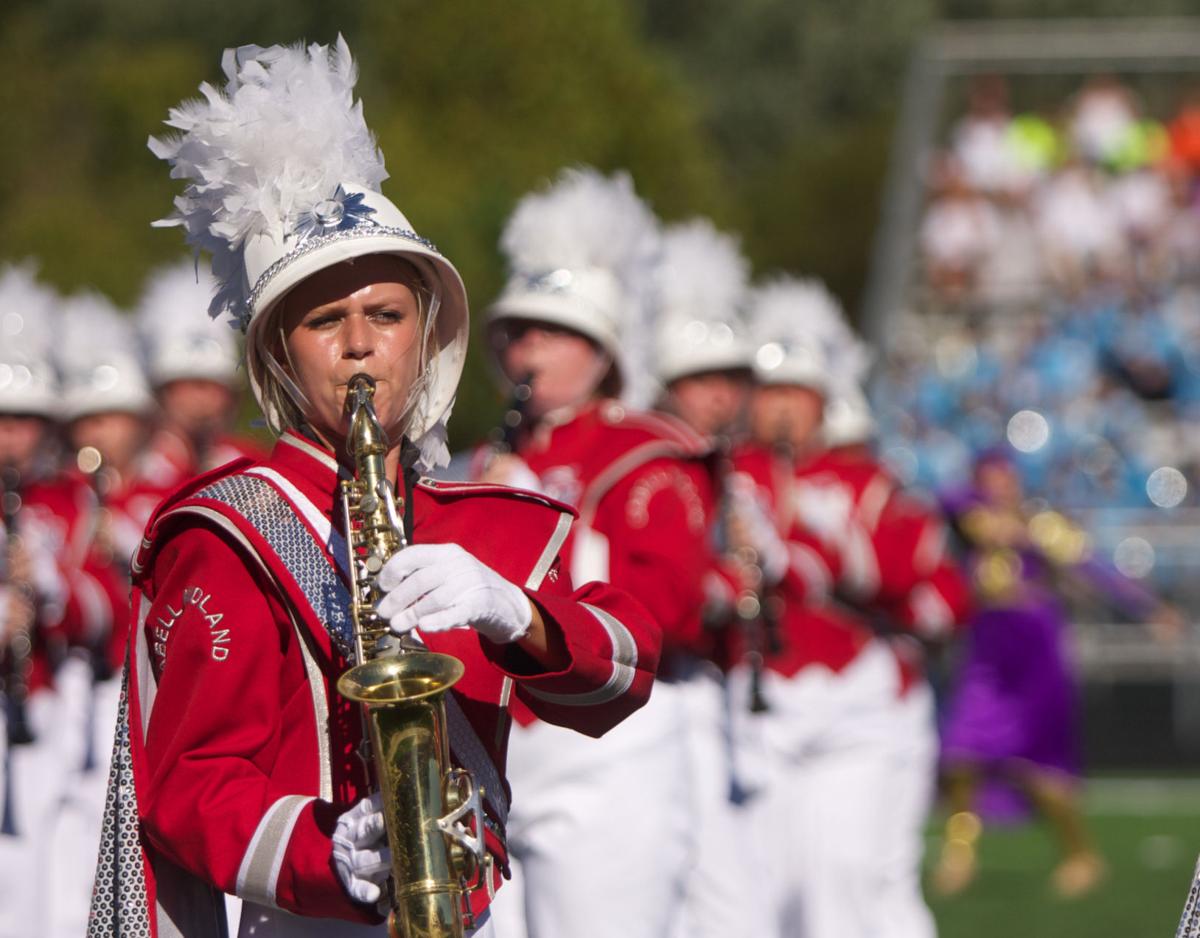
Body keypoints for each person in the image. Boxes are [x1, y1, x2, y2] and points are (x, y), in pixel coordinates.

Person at [88, 39, 662, 938]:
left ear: (425, 338)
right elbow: (190, 783)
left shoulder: (480, 524)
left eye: (386, 315)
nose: (360, 344)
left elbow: (625, 671)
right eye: (326, 320)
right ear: (280, 354)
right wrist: (325, 849)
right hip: (308, 917)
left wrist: (515, 612)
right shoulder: (228, 530)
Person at [474, 168, 714, 938]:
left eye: (553, 331)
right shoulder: (480, 459)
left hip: (610, 740)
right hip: (497, 742)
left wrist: (537, 518)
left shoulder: (645, 452)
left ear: (601, 350)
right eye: (519, 331)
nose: (529, 348)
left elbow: (668, 609)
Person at [728, 277, 917, 938]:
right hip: (754, 697)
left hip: (848, 699)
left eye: (796, 393)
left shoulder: (863, 480)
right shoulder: (724, 470)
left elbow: (899, 576)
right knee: (763, 885)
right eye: (769, 392)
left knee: (843, 879)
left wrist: (810, 543)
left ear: (823, 401)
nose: (781, 408)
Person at [934, 449, 1180, 899]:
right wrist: (990, 524)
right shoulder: (970, 522)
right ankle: (960, 855)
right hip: (989, 655)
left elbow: (1097, 570)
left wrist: (1149, 609)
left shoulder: (1042, 527)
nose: (998, 488)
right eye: (989, 480)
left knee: (1038, 769)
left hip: (1034, 656)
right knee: (961, 756)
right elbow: (947, 502)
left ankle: (1080, 854)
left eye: (1004, 479)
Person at [648, 219, 775, 938]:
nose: (723, 397)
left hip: (710, 684)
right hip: (657, 687)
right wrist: (726, 584)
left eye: (732, 380)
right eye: (703, 380)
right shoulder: (659, 461)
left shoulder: (723, 466)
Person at [0, 266, 120, 938]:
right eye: (1, 420)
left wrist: (50, 586)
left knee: (53, 890)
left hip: (52, 714)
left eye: (25, 420)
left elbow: (110, 608)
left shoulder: (72, 497)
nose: (11, 436)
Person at [137, 259, 266, 487]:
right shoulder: (136, 472)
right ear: (162, 394)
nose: (202, 399)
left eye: (214, 386)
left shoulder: (253, 466)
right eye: (190, 385)